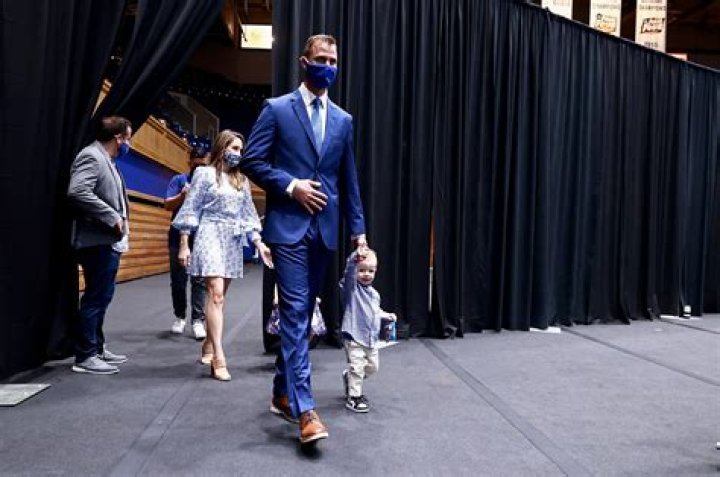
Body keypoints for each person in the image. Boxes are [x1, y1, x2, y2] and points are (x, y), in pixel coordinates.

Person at [241, 34, 367, 444]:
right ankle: (305, 410)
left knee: (303, 316)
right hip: (288, 228)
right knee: (296, 312)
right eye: (321, 59)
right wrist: (291, 185)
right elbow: (251, 160)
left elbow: (348, 178)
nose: (328, 66)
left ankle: (282, 392)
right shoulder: (277, 109)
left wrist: (359, 231)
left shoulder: (343, 120)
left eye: (333, 60)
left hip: (324, 231)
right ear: (303, 61)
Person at [173, 130, 273, 382]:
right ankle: (219, 356)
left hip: (232, 240)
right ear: (221, 147)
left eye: (241, 149)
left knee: (219, 298)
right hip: (209, 233)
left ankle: (208, 343)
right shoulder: (204, 174)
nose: (238, 153)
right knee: (215, 294)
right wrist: (184, 243)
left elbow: (248, 215)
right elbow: (191, 208)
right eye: (234, 148)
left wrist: (259, 243)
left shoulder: (242, 180)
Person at [67, 116, 132, 375]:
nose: (129, 144)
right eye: (127, 138)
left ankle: (97, 347)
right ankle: (85, 355)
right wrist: (112, 216)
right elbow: (78, 191)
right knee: (95, 297)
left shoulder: (107, 161)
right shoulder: (91, 156)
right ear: (118, 138)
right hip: (95, 240)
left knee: (102, 296)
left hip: (107, 241)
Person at [339, 248, 396, 413]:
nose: (366, 274)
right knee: (357, 367)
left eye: (370, 271)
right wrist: (354, 258)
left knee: (372, 367)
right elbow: (349, 273)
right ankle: (354, 397)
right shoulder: (352, 290)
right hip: (354, 337)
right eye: (362, 270)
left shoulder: (374, 294)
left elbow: (375, 312)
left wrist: (387, 315)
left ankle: (350, 378)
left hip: (370, 339)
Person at [165, 146, 209, 339]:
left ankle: (198, 320)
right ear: (189, 162)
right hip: (177, 237)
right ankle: (180, 316)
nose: (198, 168)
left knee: (199, 280)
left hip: (201, 237)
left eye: (203, 165)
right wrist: (182, 196)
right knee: (178, 280)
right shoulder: (179, 180)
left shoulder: (209, 183)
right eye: (195, 164)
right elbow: (167, 204)